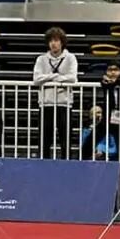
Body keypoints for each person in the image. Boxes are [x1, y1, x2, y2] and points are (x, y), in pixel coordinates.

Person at [33, 27, 78, 157]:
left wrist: (52, 79)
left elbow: (72, 78)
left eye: (57, 40)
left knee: (65, 139)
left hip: (64, 104)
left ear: (62, 42)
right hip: (46, 104)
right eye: (51, 40)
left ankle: (67, 167)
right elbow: (36, 79)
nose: (54, 43)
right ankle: (43, 167)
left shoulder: (70, 58)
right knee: (44, 140)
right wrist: (54, 77)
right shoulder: (41, 59)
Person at [84, 62, 120, 162]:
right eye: (110, 70)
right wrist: (112, 83)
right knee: (90, 140)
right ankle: (81, 161)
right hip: (107, 117)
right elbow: (105, 84)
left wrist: (113, 83)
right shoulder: (104, 81)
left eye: (116, 70)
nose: (113, 72)